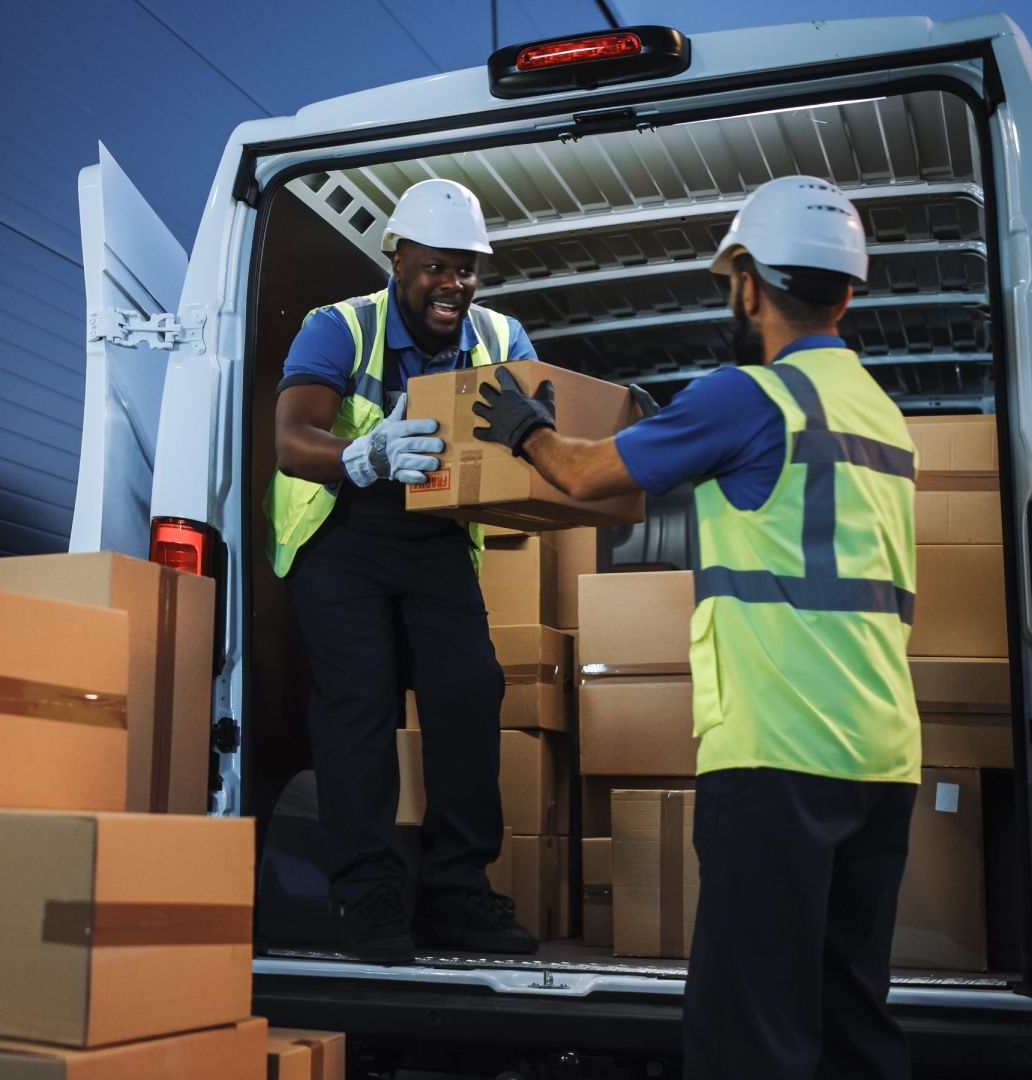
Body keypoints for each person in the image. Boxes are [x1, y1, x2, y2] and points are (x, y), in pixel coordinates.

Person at [470, 175, 921, 1079]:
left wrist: (523, 429)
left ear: (749, 281)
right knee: (849, 1020)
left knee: (748, 1033)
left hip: (777, 753)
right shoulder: (882, 415)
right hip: (882, 759)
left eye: (730, 283)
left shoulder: (748, 397)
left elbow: (590, 475)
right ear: (848, 288)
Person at [266, 178, 540, 962]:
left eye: (468, 268)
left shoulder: (499, 337)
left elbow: (543, 425)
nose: (454, 284)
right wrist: (365, 452)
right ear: (397, 258)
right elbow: (293, 439)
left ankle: (456, 890)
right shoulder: (340, 327)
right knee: (360, 703)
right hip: (343, 531)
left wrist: (609, 419)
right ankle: (367, 895)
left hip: (437, 538)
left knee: (467, 688)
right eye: (438, 267)